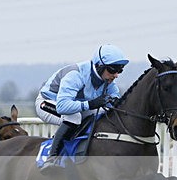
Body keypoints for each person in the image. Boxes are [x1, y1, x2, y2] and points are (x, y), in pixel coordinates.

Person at [35, 44, 129, 173]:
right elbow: (62, 107)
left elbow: (115, 104)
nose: (116, 75)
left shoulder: (108, 82)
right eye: (113, 70)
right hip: (48, 103)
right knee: (74, 117)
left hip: (75, 107)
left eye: (119, 70)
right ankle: (52, 158)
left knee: (102, 113)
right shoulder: (76, 75)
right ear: (99, 66)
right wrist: (90, 104)